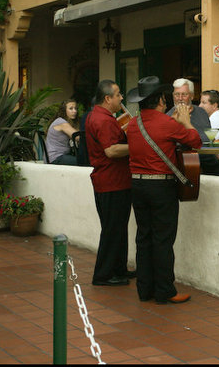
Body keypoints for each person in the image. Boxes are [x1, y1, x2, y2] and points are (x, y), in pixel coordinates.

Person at [126, 76, 202, 304]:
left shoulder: (132, 124)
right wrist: (186, 121)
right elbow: (195, 141)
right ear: (160, 101)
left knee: (143, 237)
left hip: (137, 184)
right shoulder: (166, 123)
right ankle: (164, 291)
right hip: (160, 186)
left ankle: (144, 289)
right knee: (163, 239)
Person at [85, 81, 134, 286]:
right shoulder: (103, 120)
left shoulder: (97, 116)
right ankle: (103, 275)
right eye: (118, 95)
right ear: (107, 98)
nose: (121, 98)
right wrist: (136, 145)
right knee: (112, 229)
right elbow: (111, 150)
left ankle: (118, 269)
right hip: (112, 181)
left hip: (112, 181)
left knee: (118, 228)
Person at [168, 78, 219, 177]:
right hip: (187, 163)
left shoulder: (201, 112)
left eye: (184, 94)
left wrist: (216, 154)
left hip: (210, 160)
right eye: (177, 94)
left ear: (192, 96)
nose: (180, 98)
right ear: (173, 96)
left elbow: (210, 138)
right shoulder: (169, 117)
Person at [45, 98, 80, 165]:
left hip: (60, 156)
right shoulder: (62, 123)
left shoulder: (65, 122)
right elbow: (77, 136)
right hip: (56, 157)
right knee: (83, 161)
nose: (74, 111)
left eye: (75, 108)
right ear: (64, 111)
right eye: (71, 109)